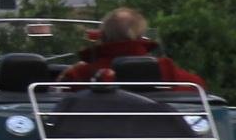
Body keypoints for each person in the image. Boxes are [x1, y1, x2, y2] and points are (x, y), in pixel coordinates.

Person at [57, 7, 206, 88]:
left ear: (103, 35)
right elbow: (197, 87)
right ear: (141, 36)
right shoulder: (165, 69)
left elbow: (59, 98)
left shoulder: (81, 73)